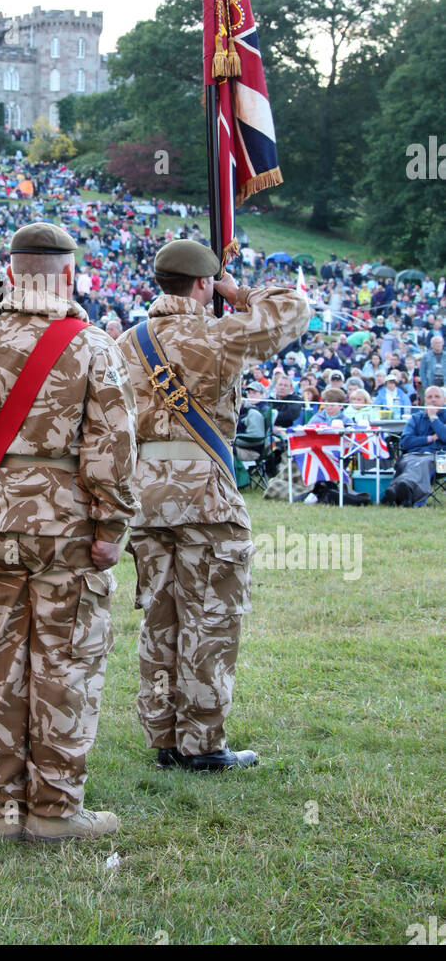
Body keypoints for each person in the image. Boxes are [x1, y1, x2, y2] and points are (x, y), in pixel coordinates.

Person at [0, 221, 139, 843]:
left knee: (2, 660)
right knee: (66, 662)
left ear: (12, 277)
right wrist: (111, 524)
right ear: (70, 276)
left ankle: (2, 807)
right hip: (66, 522)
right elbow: (113, 445)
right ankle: (54, 809)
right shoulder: (93, 346)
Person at [116, 240, 309, 771]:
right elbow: (294, 309)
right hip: (205, 494)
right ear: (202, 284)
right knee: (212, 620)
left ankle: (163, 737)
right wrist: (237, 290)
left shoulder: (125, 343)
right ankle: (202, 743)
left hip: (145, 495)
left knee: (161, 617)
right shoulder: (215, 335)